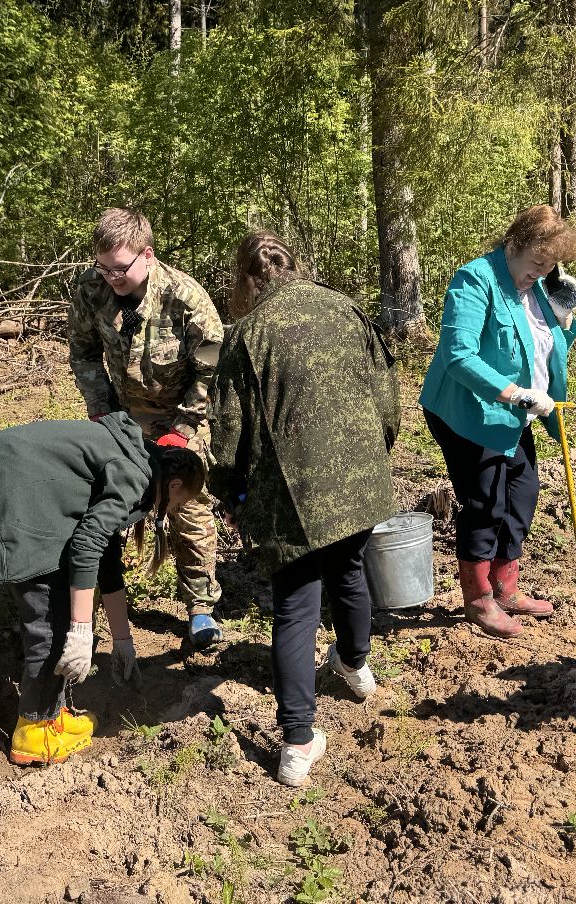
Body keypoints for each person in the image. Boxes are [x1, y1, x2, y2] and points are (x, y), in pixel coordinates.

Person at [209, 231, 400, 787]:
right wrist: (375, 454)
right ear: (296, 266)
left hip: (293, 499)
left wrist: (232, 492)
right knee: (349, 571)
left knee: (295, 608)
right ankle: (356, 668)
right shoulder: (348, 309)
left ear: (247, 280)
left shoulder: (245, 336)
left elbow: (228, 438)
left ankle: (296, 745)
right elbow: (387, 399)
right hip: (361, 481)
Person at [0, 413, 206, 766]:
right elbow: (87, 544)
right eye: (179, 504)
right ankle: (32, 733)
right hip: (0, 487)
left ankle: (51, 715)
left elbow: (107, 555)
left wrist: (123, 640)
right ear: (175, 486)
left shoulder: (140, 460)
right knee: (54, 623)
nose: (172, 511)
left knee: (62, 609)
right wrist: (82, 630)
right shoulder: (136, 476)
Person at [418, 204, 576, 639]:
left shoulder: (533, 288)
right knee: (485, 500)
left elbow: (548, 345)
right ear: (514, 244)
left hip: (514, 414)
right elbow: (459, 355)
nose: (540, 274)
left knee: (523, 492)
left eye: (548, 267)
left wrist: (565, 316)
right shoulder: (477, 279)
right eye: (536, 264)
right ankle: (477, 599)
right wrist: (516, 393)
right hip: (469, 410)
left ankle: (505, 586)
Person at [68, 208, 227, 649]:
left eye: (120, 268)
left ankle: (199, 609)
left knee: (189, 507)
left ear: (148, 255)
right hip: (120, 418)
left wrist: (185, 423)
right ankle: (98, 600)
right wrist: (101, 410)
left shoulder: (184, 297)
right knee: (110, 503)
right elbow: (82, 353)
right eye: (103, 267)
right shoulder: (90, 288)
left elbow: (211, 365)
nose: (111, 277)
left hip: (181, 414)